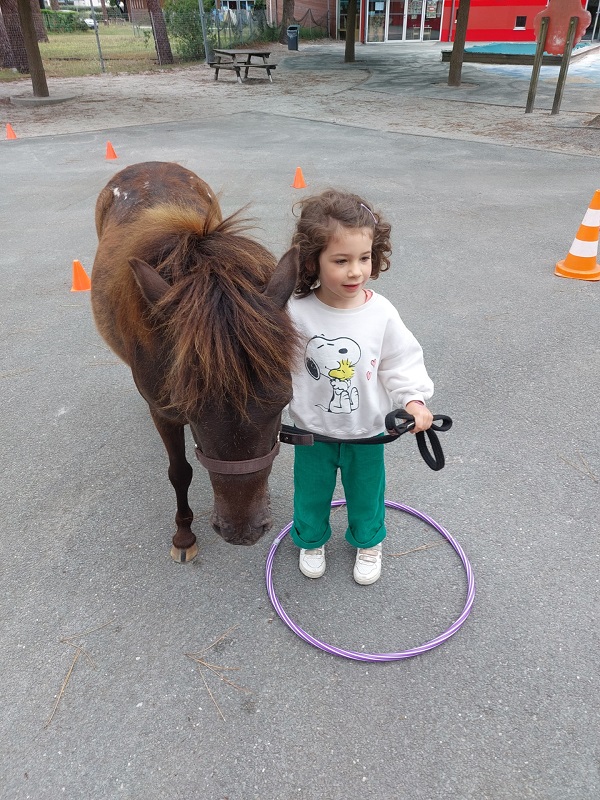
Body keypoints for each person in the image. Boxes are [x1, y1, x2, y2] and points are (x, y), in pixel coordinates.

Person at [287, 189, 434, 585]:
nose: (355, 271)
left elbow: (399, 361)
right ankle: (311, 540)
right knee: (310, 492)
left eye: (364, 258)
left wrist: (414, 401)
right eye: (341, 261)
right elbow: (273, 365)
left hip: (368, 432)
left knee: (367, 493)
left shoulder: (380, 313)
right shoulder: (294, 312)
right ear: (312, 260)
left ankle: (369, 542)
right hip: (311, 432)